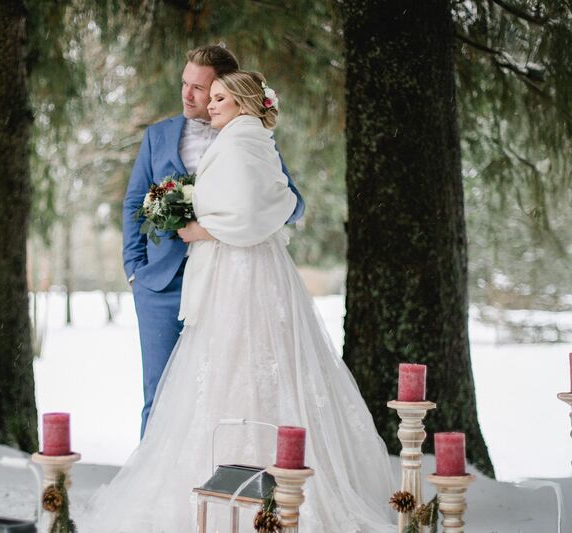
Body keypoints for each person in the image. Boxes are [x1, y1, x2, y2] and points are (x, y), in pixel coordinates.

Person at [82, 71, 395, 532]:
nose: (209, 104)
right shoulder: (242, 136)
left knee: (244, 365)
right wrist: (139, 263)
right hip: (215, 273)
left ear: (244, 101)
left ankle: (258, 479)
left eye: (219, 97)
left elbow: (268, 209)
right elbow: (144, 201)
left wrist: (199, 229)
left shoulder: (243, 139)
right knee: (207, 373)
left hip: (242, 273)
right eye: (209, 96)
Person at [122, 45, 305, 437]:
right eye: (184, 84)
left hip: (227, 288)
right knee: (158, 395)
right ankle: (153, 490)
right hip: (161, 286)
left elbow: (291, 203)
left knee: (219, 395)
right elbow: (134, 203)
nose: (187, 95)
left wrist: (223, 225)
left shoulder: (251, 137)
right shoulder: (159, 136)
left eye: (200, 88)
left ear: (226, 90)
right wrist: (134, 271)